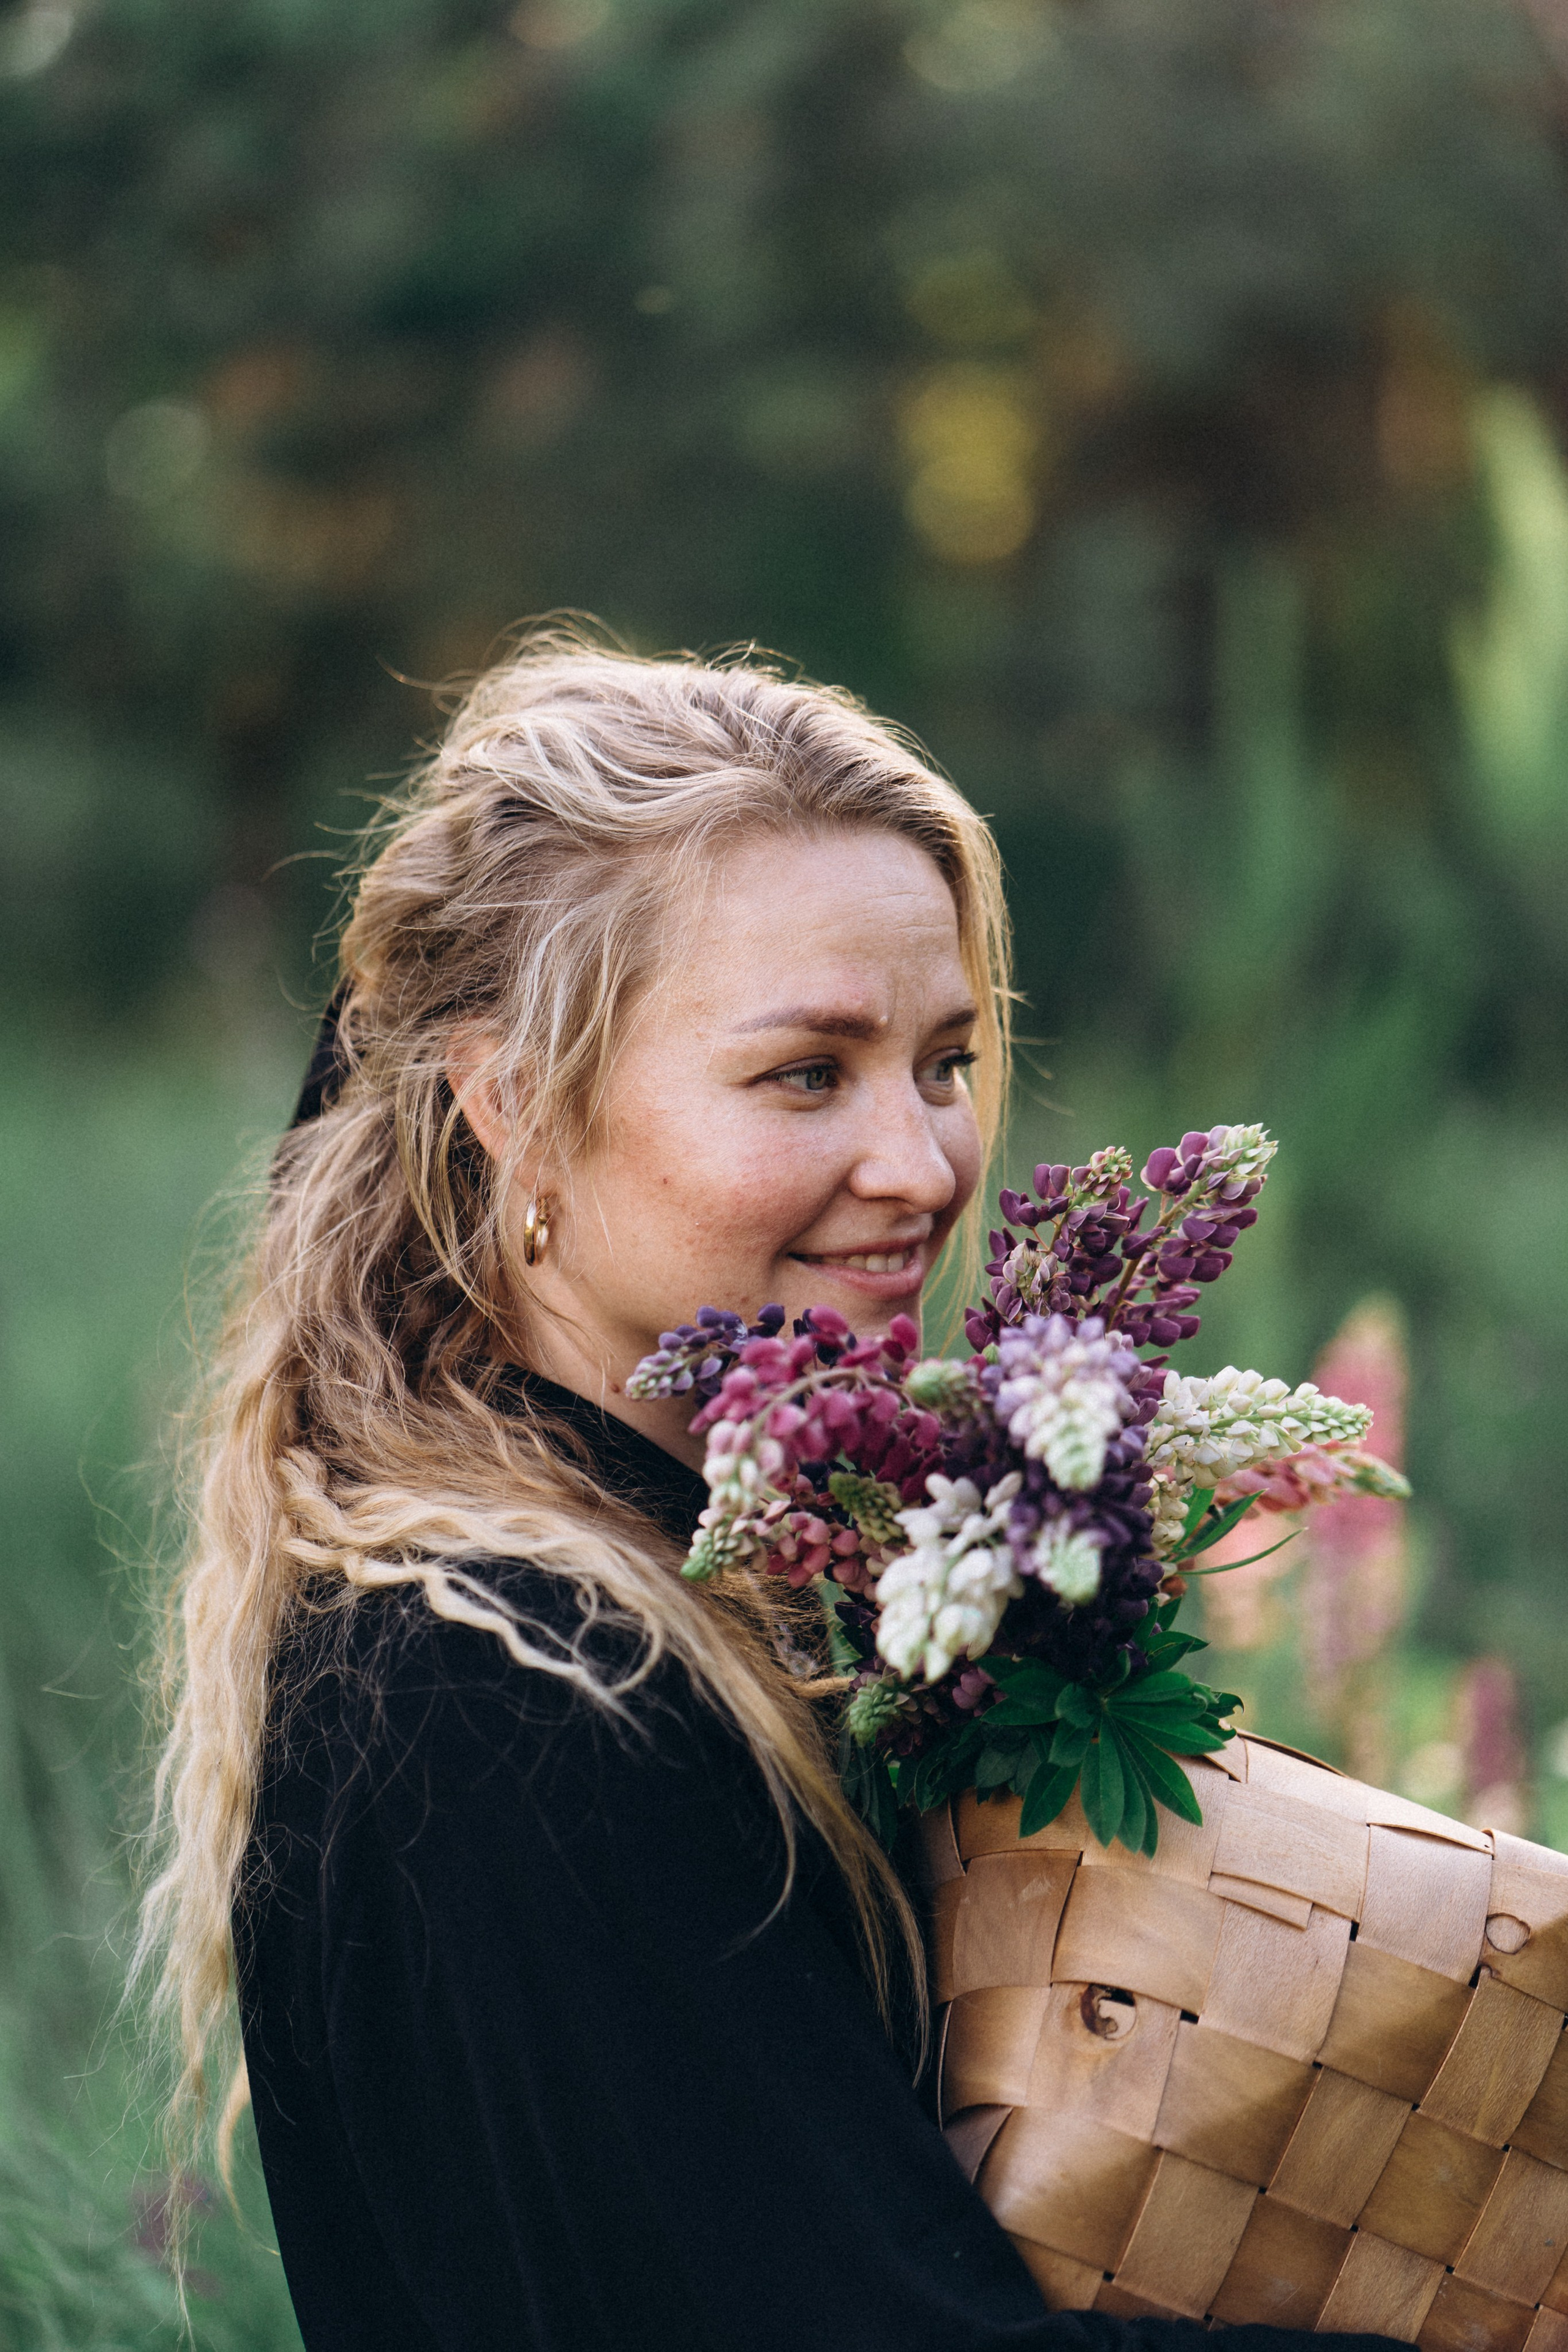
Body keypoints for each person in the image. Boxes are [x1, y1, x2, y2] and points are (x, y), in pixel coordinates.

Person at [139, 635, 1395, 2351]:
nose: (926, 1165)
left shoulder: (713, 1576)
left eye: (944, 1063)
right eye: (807, 1073)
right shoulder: (509, 1683)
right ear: (511, 1103)